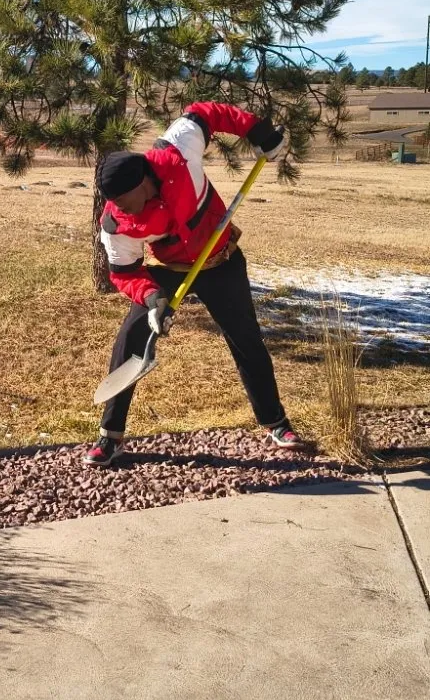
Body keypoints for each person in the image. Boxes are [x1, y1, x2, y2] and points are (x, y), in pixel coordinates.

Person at [84, 101, 306, 467]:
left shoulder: (177, 151)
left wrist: (258, 131)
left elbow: (205, 112)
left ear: (142, 181)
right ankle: (111, 436)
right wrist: (153, 298)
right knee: (132, 337)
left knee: (246, 339)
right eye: (114, 203)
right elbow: (124, 273)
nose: (121, 208)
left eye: (125, 200)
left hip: (221, 260)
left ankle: (276, 422)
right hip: (168, 268)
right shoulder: (116, 222)